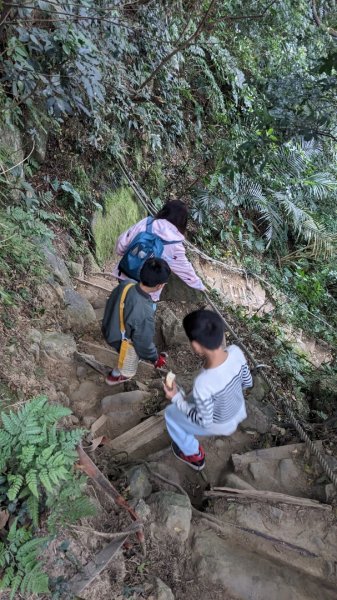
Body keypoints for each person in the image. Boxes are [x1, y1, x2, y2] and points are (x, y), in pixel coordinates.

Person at [163, 309, 253, 470]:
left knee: (170, 413)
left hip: (219, 424)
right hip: (238, 410)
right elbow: (247, 382)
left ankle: (194, 455)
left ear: (196, 346)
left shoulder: (203, 383)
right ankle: (183, 403)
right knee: (191, 400)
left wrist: (175, 398)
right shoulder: (236, 352)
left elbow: (204, 421)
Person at [112, 200, 205, 302]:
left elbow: (123, 242)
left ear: (164, 211)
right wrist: (200, 285)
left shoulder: (147, 223)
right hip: (149, 289)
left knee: (122, 299)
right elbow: (185, 269)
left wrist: (123, 254)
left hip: (125, 274)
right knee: (141, 310)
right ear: (183, 221)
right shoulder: (175, 244)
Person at [102, 258, 170, 385]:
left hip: (109, 325)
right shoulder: (144, 313)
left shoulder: (127, 284)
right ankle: (116, 375)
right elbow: (143, 344)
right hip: (117, 338)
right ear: (159, 286)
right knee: (132, 355)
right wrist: (155, 358)